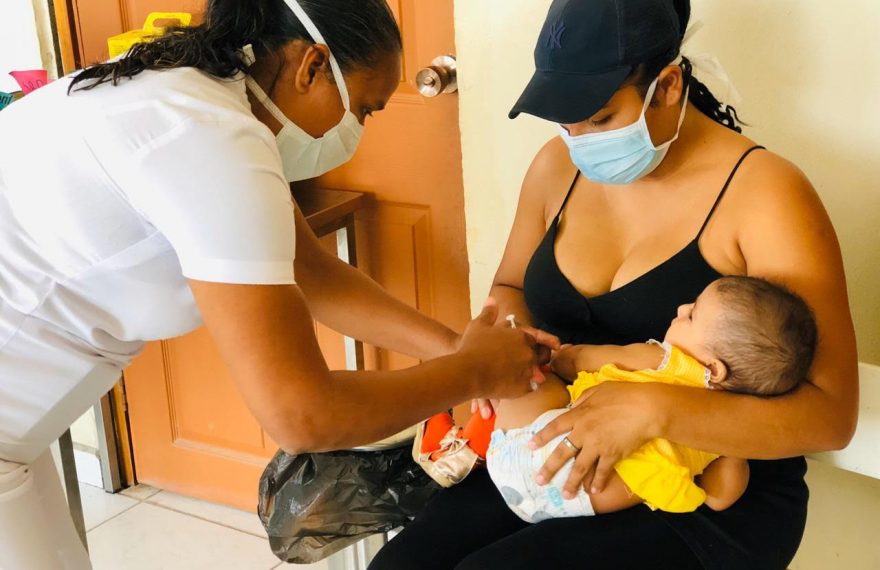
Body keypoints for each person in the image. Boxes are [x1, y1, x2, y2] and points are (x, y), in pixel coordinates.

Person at [0, 1, 553, 568]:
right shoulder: (211, 139)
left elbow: (314, 273)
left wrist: (457, 349)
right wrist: (474, 372)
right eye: (364, 108)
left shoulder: (188, 96)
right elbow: (301, 414)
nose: (358, 130)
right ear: (312, 66)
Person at [368, 0, 858, 568]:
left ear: (667, 86)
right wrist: (499, 341)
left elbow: (830, 417)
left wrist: (656, 410)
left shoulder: (767, 195)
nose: (578, 140)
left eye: (599, 119)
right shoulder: (556, 167)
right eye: (565, 121)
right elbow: (511, 286)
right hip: (560, 446)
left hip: (701, 484)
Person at [416, 276, 818, 522]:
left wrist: (559, 358)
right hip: (569, 503)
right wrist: (736, 448)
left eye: (693, 314)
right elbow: (720, 498)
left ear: (713, 368)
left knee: (531, 370)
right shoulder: (717, 434)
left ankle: (460, 440)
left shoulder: (663, 360)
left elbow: (583, 360)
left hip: (533, 448)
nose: (681, 307)